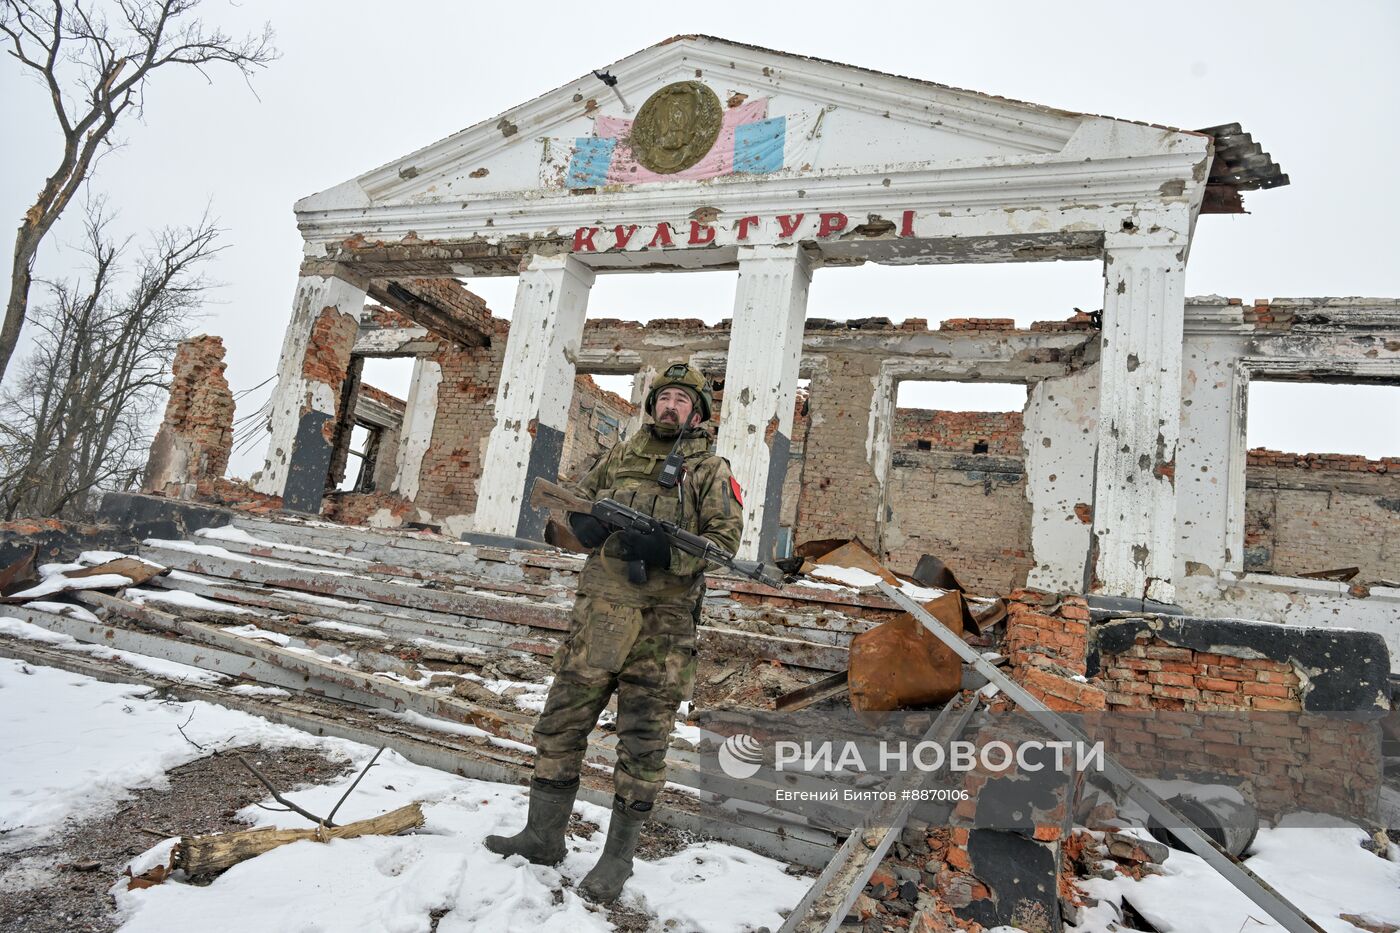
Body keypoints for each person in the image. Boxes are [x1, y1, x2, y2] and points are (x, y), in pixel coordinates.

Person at [484, 361, 743, 903]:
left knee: (643, 750)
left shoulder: (712, 470)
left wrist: (667, 551)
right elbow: (571, 507)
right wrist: (581, 524)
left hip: (661, 633)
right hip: (597, 621)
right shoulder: (617, 457)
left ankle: (617, 861)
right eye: (664, 396)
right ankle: (542, 837)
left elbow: (723, 543)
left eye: (682, 399)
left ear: (698, 411)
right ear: (652, 405)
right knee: (558, 728)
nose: (671, 405)